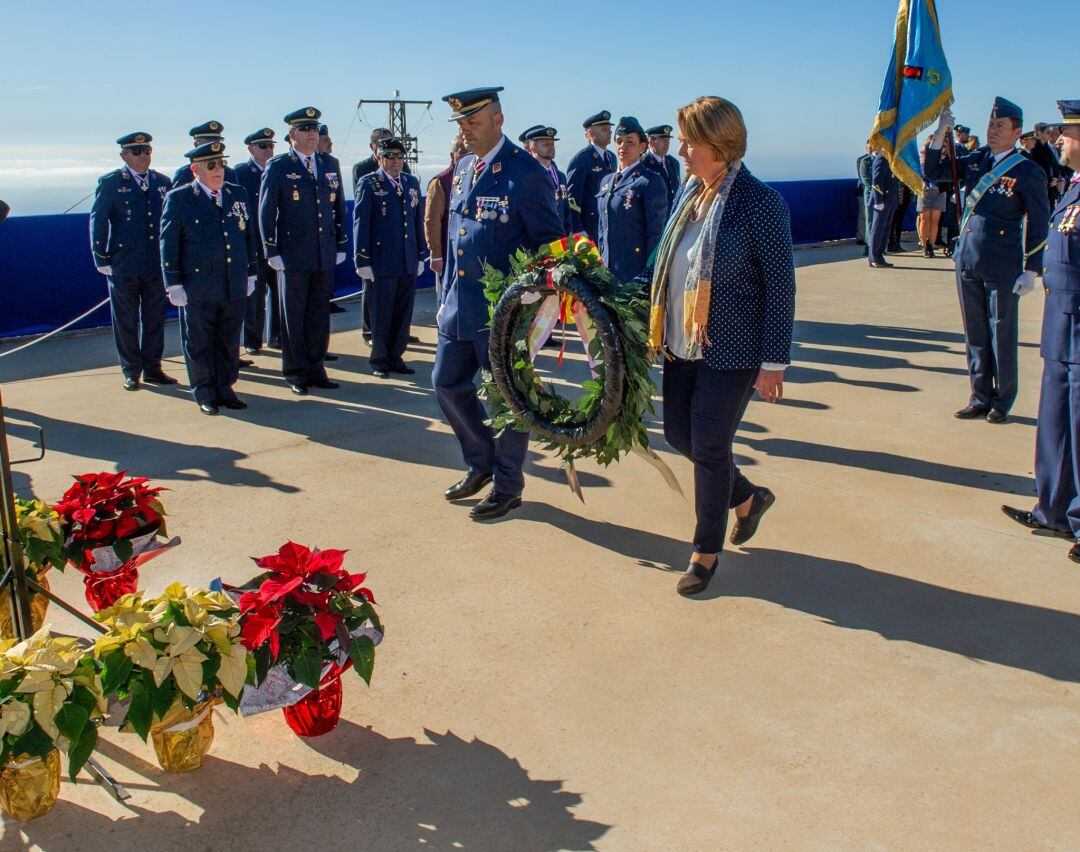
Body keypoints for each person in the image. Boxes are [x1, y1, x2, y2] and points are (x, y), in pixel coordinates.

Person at [638, 96, 795, 597]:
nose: (681, 150)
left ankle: (705, 552)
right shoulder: (690, 194)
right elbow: (665, 266)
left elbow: (780, 287)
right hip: (684, 343)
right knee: (678, 435)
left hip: (734, 350)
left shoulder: (760, 203)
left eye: (689, 141)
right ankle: (747, 498)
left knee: (708, 445)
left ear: (719, 144)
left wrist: (773, 363)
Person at [433, 86, 564, 521]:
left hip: (502, 315)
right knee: (446, 384)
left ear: (498, 120)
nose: (465, 131)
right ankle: (480, 463)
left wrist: (531, 306)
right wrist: (446, 295)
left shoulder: (526, 173)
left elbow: (550, 247)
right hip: (458, 307)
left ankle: (508, 485)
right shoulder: (466, 168)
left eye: (472, 122)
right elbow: (458, 239)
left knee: (507, 401)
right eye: (461, 124)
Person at [925, 98, 1051, 423]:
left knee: (1001, 332)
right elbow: (934, 171)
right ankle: (979, 395)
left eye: (1000, 126)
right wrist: (941, 134)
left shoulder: (1027, 170)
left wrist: (1032, 269)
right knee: (975, 332)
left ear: (1017, 131)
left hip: (1003, 263)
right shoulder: (978, 159)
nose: (993, 131)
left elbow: (1039, 219)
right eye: (991, 125)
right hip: (966, 257)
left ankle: (1002, 400)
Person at [1002, 99, 1080, 562]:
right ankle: (1052, 508)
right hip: (1061, 323)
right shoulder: (1073, 189)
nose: (1060, 142)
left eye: (1068, 134)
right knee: (1055, 423)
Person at [160, 142, 258, 416]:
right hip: (199, 285)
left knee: (228, 340)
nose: (219, 170)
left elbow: (248, 235)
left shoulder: (237, 194)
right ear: (195, 169)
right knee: (200, 341)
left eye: (221, 164)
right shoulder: (179, 199)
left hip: (233, 282)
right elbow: (169, 243)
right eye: (211, 165)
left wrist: (251, 271)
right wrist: (173, 282)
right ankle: (204, 391)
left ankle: (226, 388)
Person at [258, 106, 348, 395]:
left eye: (314, 129)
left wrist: (341, 243)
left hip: (323, 252)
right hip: (293, 254)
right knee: (293, 315)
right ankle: (296, 371)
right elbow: (266, 210)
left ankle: (316, 367)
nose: (312, 134)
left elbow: (338, 207)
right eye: (305, 129)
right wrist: (271, 249)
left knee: (319, 314)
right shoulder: (280, 166)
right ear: (292, 134)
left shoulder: (329, 163)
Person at [89, 132, 177, 390]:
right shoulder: (112, 182)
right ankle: (131, 371)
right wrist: (100, 255)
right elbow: (99, 220)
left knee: (154, 318)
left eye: (147, 151)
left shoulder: (163, 182)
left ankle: (153, 368)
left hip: (154, 264)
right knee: (125, 320)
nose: (143, 156)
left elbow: (170, 223)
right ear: (124, 156)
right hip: (124, 263)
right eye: (137, 152)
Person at [353, 137, 427, 378]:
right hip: (381, 261)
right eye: (390, 156)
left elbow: (417, 221)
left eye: (399, 156)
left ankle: (396, 356)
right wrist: (362, 260)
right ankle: (379, 360)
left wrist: (419, 255)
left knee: (402, 312)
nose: (396, 161)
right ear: (379, 158)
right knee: (381, 313)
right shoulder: (369, 183)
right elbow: (361, 224)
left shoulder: (411, 182)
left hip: (406, 259)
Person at [596, 116, 668, 283]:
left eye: (630, 142)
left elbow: (655, 234)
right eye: (619, 141)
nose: (623, 146)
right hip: (607, 273)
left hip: (634, 274)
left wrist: (648, 277)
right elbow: (602, 230)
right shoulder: (606, 182)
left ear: (642, 147)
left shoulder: (649, 181)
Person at [233, 128, 279, 354]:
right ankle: (252, 340)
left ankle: (277, 336)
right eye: (263, 146)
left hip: (278, 244)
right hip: (253, 245)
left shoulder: (279, 169)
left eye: (271, 145)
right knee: (255, 297)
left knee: (279, 294)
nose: (268, 150)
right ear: (250, 148)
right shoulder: (240, 173)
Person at [424, 133, 467, 299]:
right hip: (449, 255)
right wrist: (436, 253)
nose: (467, 157)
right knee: (449, 300)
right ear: (453, 155)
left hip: (470, 256)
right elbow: (432, 220)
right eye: (462, 153)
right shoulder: (440, 182)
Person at [566, 110, 616, 240]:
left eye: (610, 129)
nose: (609, 132)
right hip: (590, 228)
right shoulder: (581, 159)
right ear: (591, 133)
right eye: (604, 129)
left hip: (609, 226)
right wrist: (577, 229)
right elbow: (572, 198)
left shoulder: (612, 157)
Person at [523, 125, 572, 235]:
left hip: (560, 239)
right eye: (546, 145)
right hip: (538, 242)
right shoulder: (527, 177)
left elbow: (566, 211)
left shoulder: (560, 176)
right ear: (533, 149)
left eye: (552, 144)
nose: (551, 147)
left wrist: (568, 237)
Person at [172, 121, 238, 187]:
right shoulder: (185, 173)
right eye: (208, 142)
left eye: (217, 142)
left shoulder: (229, 173)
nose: (213, 145)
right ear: (196, 144)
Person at [352, 127, 411, 192]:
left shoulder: (402, 166)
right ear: (372, 146)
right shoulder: (361, 168)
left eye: (389, 142)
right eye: (380, 143)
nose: (385, 145)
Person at [867, 151, 898, 268]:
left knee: (885, 230)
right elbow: (876, 181)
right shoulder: (882, 158)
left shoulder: (890, 158)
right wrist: (878, 200)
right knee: (878, 229)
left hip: (890, 199)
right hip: (882, 200)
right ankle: (874, 257)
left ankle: (879, 255)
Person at [916, 138, 945, 257]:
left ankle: (931, 245)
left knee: (935, 220)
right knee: (924, 219)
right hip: (926, 189)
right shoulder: (922, 159)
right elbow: (921, 173)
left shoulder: (944, 158)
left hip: (939, 189)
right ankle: (924, 245)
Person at [644, 124, 682, 211]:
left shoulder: (673, 163)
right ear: (651, 142)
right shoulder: (643, 164)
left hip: (671, 215)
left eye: (668, 140)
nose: (667, 143)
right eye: (663, 140)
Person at [856, 141, 874, 248]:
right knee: (863, 215)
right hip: (863, 190)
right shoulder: (862, 160)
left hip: (874, 192)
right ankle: (861, 237)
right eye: (869, 147)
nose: (871, 148)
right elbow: (862, 177)